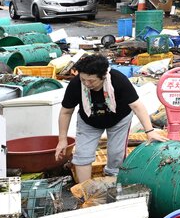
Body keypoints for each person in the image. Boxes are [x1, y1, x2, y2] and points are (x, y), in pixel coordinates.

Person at [55, 54, 164, 182]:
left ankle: (112, 183)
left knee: (116, 154)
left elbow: (136, 105)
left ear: (103, 76)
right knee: (82, 154)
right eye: (83, 79)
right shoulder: (76, 84)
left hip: (119, 119)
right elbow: (66, 112)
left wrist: (150, 131)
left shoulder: (118, 80)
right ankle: (84, 191)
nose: (86, 83)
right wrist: (62, 140)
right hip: (89, 120)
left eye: (91, 81)